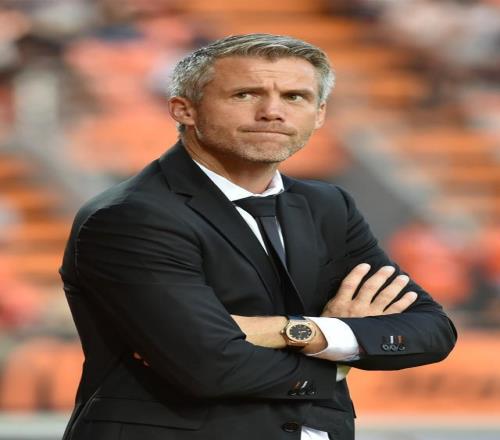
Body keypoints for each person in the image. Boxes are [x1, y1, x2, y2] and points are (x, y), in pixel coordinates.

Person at [60, 34, 457, 440]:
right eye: (245, 94)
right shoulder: (130, 216)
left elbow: (432, 330)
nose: (272, 112)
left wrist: (298, 331)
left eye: (295, 97)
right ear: (184, 109)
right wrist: (340, 354)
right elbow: (208, 366)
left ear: (319, 114)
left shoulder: (328, 206)